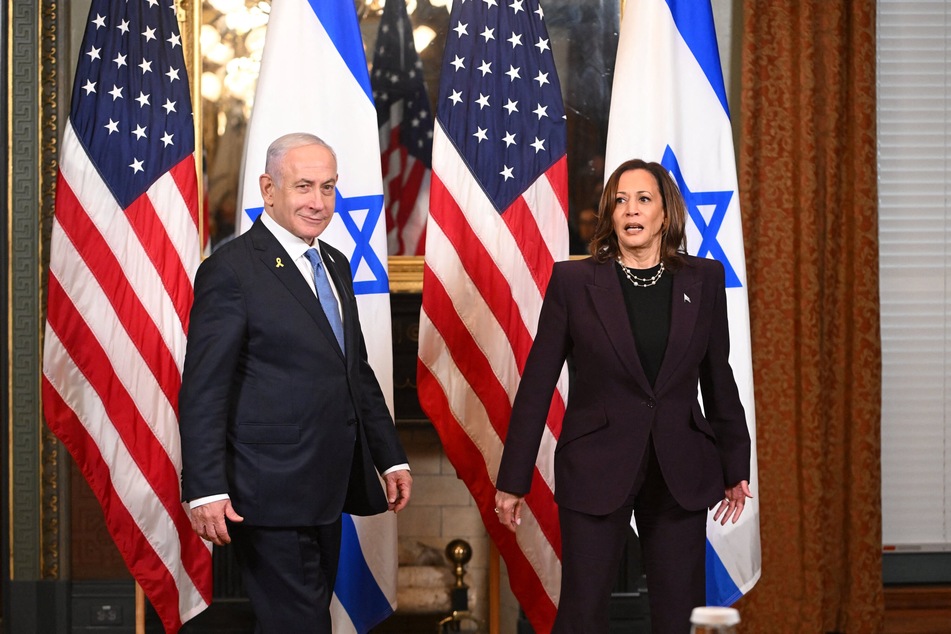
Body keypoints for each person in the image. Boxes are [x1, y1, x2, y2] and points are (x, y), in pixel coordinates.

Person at [494, 159, 752, 633]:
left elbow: (718, 377)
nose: (630, 209)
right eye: (620, 200)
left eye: (643, 199)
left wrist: (735, 465)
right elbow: (536, 384)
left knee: (680, 615)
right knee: (582, 613)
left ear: (665, 214)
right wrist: (513, 478)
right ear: (610, 215)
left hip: (680, 468)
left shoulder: (704, 279)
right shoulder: (574, 283)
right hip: (595, 466)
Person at [179, 132, 412, 633]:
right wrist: (204, 489)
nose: (318, 201)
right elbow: (203, 389)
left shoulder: (334, 263)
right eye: (303, 186)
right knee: (299, 625)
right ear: (268, 189)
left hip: (328, 484)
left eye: (328, 187)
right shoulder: (231, 270)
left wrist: (388, 454)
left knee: (302, 622)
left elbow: (356, 372)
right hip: (266, 491)